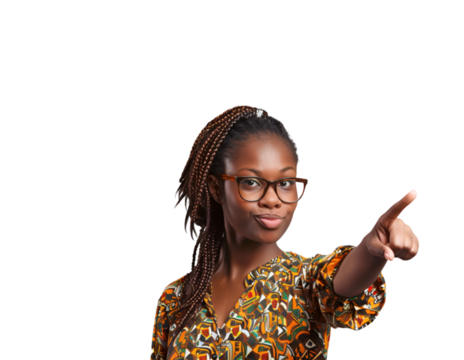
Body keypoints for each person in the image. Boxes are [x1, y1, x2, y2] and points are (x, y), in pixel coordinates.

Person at [150, 104, 418, 359]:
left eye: (286, 182)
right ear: (216, 188)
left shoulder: (304, 281)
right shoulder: (175, 298)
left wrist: (372, 251)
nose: (273, 199)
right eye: (252, 182)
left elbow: (340, 284)